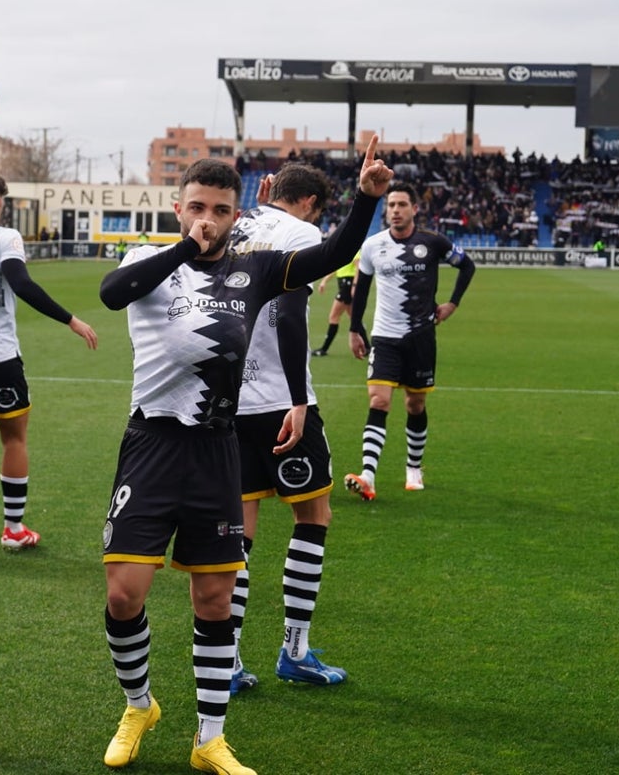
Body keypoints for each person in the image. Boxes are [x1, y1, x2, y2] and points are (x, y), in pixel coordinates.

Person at [98, 140, 392, 774]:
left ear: (239, 215)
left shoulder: (257, 270)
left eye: (221, 210)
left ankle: (209, 739)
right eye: (197, 207)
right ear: (179, 208)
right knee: (124, 595)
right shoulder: (148, 258)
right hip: (151, 444)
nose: (208, 218)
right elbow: (112, 294)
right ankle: (139, 704)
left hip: (217, 450)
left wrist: (367, 197)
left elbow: (335, 253)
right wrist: (187, 248)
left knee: (214, 598)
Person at [226, 164, 346, 698]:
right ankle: (294, 651)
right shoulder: (300, 233)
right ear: (313, 204)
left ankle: (224, 659)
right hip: (279, 398)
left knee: (237, 534)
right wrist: (299, 397)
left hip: (226, 399)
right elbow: (293, 317)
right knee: (313, 514)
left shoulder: (234, 224)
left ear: (269, 189)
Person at [0, 171, 98, 564]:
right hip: (0, 358)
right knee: (14, 439)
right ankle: (14, 529)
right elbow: (21, 283)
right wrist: (70, 319)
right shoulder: (5, 237)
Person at [343, 182, 477, 501]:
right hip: (385, 337)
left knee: (415, 404)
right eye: (391, 205)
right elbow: (360, 290)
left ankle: (413, 468)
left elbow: (467, 266)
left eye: (402, 205)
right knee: (379, 401)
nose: (396, 211)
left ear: (414, 209)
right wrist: (354, 329)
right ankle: (368, 475)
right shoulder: (373, 246)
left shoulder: (432, 242)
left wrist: (452, 303)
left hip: (421, 338)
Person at [310, 253, 358, 356]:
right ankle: (367, 347)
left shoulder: (355, 251)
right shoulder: (344, 251)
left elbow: (358, 269)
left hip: (347, 285)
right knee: (353, 317)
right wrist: (324, 281)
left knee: (334, 316)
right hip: (344, 284)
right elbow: (336, 267)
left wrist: (354, 285)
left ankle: (324, 349)